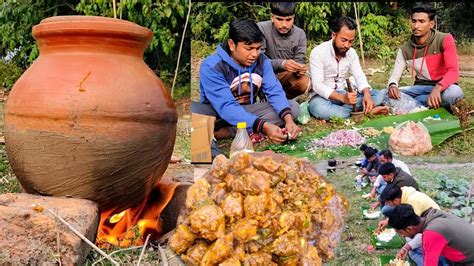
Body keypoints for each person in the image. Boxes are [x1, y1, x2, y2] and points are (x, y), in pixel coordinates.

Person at [192, 18, 301, 144]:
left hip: (247, 110)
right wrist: (264, 126)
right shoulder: (212, 66)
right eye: (249, 48)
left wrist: (288, 121)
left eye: (258, 48)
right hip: (217, 114)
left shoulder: (262, 61)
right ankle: (228, 130)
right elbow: (226, 107)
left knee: (292, 108)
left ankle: (230, 131)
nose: (255, 54)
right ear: (232, 45)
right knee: (195, 112)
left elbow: (274, 91)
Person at [307, 16, 388, 120]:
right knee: (319, 108)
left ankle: (348, 111)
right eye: (343, 40)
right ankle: (362, 112)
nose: (347, 45)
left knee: (377, 95)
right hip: (322, 97)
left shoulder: (351, 53)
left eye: (350, 41)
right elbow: (317, 85)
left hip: (343, 95)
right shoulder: (318, 52)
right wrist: (342, 98)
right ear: (334, 35)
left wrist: (367, 94)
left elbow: (359, 76)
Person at [386, 4, 464, 110]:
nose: (416, 26)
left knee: (454, 93)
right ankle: (425, 104)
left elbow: (453, 71)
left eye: (421, 21)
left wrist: (437, 89)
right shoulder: (404, 49)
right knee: (386, 94)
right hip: (420, 88)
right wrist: (392, 86)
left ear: (431, 24)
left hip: (444, 88)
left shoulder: (445, 39)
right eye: (414, 21)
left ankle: (415, 105)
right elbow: (395, 75)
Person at [389, 204, 474, 265]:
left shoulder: (431, 233)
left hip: (468, 261)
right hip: (463, 250)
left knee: (415, 254)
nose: (402, 236)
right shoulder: (430, 215)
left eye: (400, 232)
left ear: (409, 229)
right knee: (413, 251)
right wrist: (407, 247)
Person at [257, 2, 310, 99]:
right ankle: (265, 97)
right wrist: (282, 64)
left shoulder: (300, 33)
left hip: (286, 77)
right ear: (272, 17)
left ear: (294, 18)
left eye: (288, 19)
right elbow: (257, 60)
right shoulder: (261, 29)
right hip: (264, 74)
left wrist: (299, 69)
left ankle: (282, 100)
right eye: (279, 19)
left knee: (304, 81)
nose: (284, 24)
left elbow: (299, 60)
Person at [377, 185, 441, 265]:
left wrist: (408, 246)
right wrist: (388, 221)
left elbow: (418, 230)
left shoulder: (413, 202)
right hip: (433, 227)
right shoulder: (403, 192)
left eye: (389, 203)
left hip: (445, 248)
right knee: (410, 245)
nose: (389, 205)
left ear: (396, 200)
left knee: (412, 250)